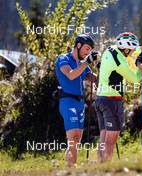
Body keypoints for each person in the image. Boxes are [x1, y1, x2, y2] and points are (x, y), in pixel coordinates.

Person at [95, 32, 142, 162]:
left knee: (103, 136)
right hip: (111, 101)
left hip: (100, 99)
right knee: (112, 138)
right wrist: (139, 65)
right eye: (131, 50)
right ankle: (107, 167)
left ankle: (100, 165)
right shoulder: (120, 61)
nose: (132, 52)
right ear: (125, 49)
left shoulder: (110, 50)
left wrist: (141, 49)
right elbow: (134, 79)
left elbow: (134, 50)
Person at [55, 34, 98, 166]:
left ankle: (68, 167)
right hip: (68, 101)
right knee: (73, 137)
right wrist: (86, 62)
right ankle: (71, 169)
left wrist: (105, 68)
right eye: (86, 49)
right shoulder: (64, 58)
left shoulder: (81, 63)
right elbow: (71, 75)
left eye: (90, 50)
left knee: (77, 139)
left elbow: (93, 78)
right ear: (78, 45)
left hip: (80, 103)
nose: (87, 52)